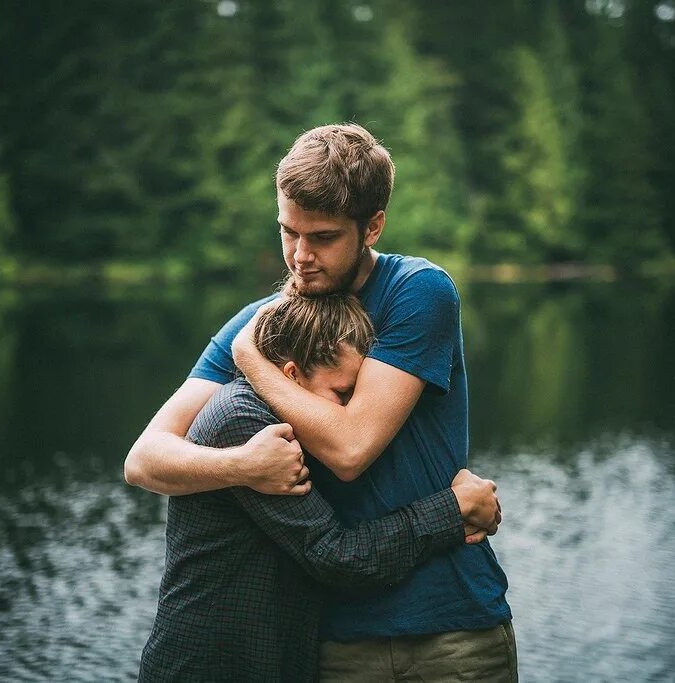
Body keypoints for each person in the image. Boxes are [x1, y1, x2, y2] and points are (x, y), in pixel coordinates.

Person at [125, 123, 516, 681]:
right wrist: (243, 466)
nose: (300, 257)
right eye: (289, 232)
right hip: (332, 644)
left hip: (447, 634)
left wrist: (254, 364)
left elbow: (350, 446)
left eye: (324, 237)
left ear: (372, 226)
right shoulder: (265, 319)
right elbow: (145, 459)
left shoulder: (419, 292)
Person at [137, 293, 501, 682]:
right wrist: (453, 508)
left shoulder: (283, 423)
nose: (346, 410)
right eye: (341, 392)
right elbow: (336, 556)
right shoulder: (244, 421)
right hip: (210, 667)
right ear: (292, 375)